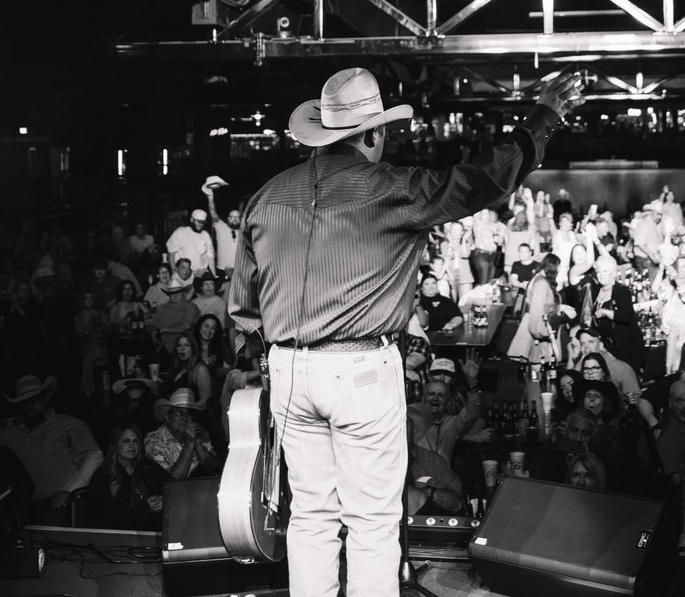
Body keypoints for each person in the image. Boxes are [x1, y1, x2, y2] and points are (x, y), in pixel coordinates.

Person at [226, 66, 584, 597]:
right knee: (371, 522)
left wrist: (270, 362)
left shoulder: (265, 197)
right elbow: (481, 179)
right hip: (360, 372)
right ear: (372, 134)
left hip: (288, 371)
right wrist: (543, 118)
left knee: (310, 518)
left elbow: (242, 307)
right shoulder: (392, 187)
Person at [0, 374, 103, 524]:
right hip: (18, 508)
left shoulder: (70, 424)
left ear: (45, 398)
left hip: (61, 503)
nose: (30, 405)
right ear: (19, 405)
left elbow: (94, 456)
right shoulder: (7, 434)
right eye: (25, 401)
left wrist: (71, 492)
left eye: (35, 399)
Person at [89, 423, 169, 530]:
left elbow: (171, 485)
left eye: (135, 441)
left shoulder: (147, 466)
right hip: (118, 534)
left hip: (154, 529)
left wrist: (163, 500)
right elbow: (104, 515)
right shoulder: (103, 475)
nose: (132, 445)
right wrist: (144, 507)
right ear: (115, 444)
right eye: (126, 441)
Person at [144, 388, 216, 479]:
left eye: (189, 413)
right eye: (178, 413)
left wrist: (197, 444)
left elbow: (213, 469)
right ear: (167, 417)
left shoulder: (198, 433)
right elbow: (172, 482)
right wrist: (189, 444)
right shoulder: (154, 440)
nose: (185, 418)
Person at [166, 209, 216, 277]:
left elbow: (210, 256)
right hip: (184, 274)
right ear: (192, 219)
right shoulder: (180, 232)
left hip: (200, 273)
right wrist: (174, 273)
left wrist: (214, 275)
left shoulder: (205, 235)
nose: (200, 224)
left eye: (203, 222)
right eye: (198, 222)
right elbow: (171, 253)